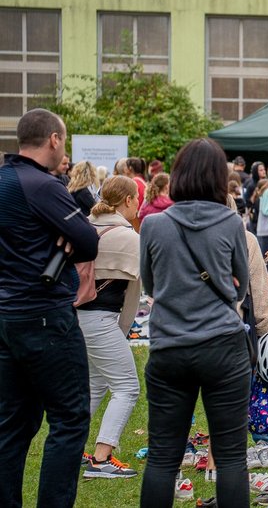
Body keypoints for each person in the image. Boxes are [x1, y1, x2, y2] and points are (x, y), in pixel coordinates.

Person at [139, 138, 252, 507]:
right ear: (219, 178)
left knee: (162, 458)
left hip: (170, 345)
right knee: (232, 456)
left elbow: (150, 284)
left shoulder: (154, 224)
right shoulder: (231, 222)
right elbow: (241, 286)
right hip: (222, 344)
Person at [0, 108, 99, 508]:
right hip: (44, 315)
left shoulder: (5, 180)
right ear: (54, 140)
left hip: (8, 315)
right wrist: (67, 235)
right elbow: (88, 242)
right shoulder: (41, 185)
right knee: (70, 418)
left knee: (12, 423)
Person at [78, 175, 142, 479]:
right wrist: (123, 330)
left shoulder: (86, 225)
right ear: (128, 200)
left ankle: (76, 448)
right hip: (101, 318)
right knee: (127, 387)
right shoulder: (128, 237)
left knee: (96, 385)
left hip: (77, 315)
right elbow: (140, 290)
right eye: (137, 198)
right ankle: (101, 458)